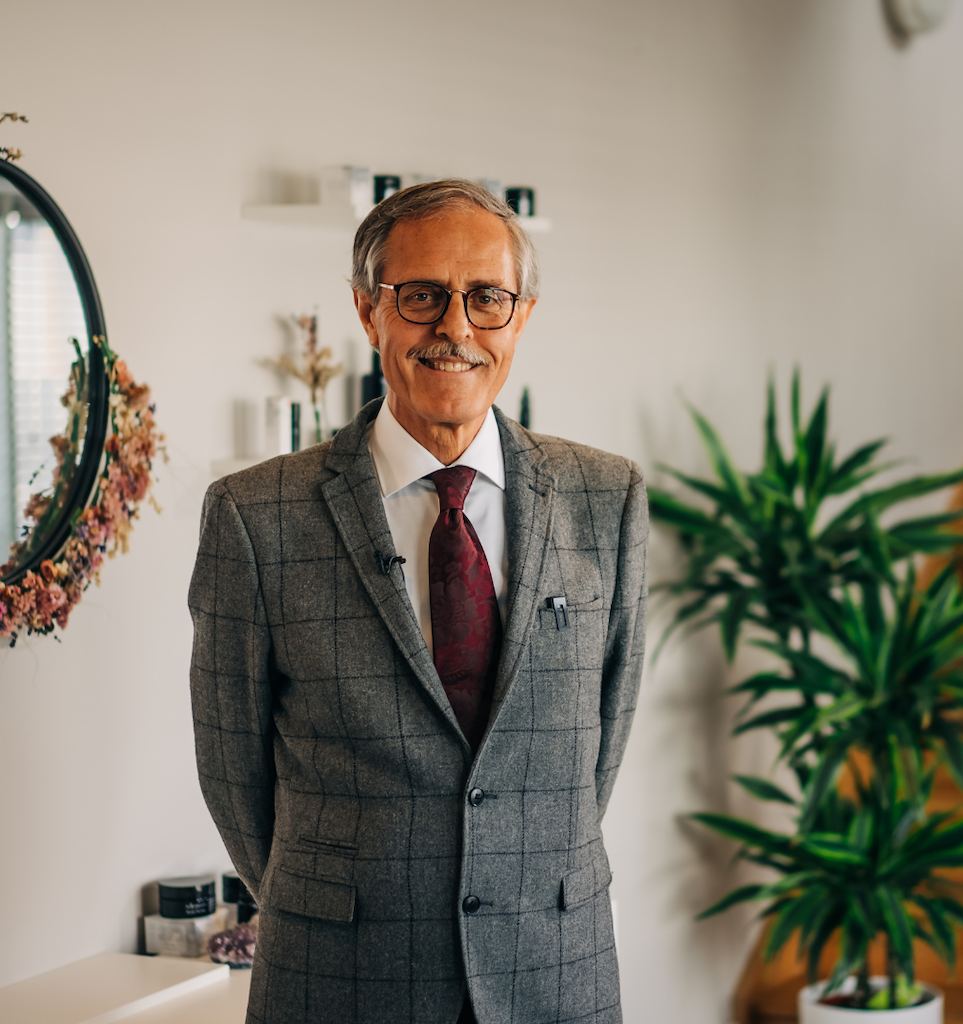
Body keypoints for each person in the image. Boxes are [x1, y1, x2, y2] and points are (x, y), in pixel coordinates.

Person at [189, 179, 648, 1024]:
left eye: (487, 299)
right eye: (424, 296)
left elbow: (601, 745)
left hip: (555, 970)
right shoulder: (255, 516)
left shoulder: (607, 498)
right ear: (369, 312)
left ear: (523, 317)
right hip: (338, 978)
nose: (456, 328)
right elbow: (232, 772)